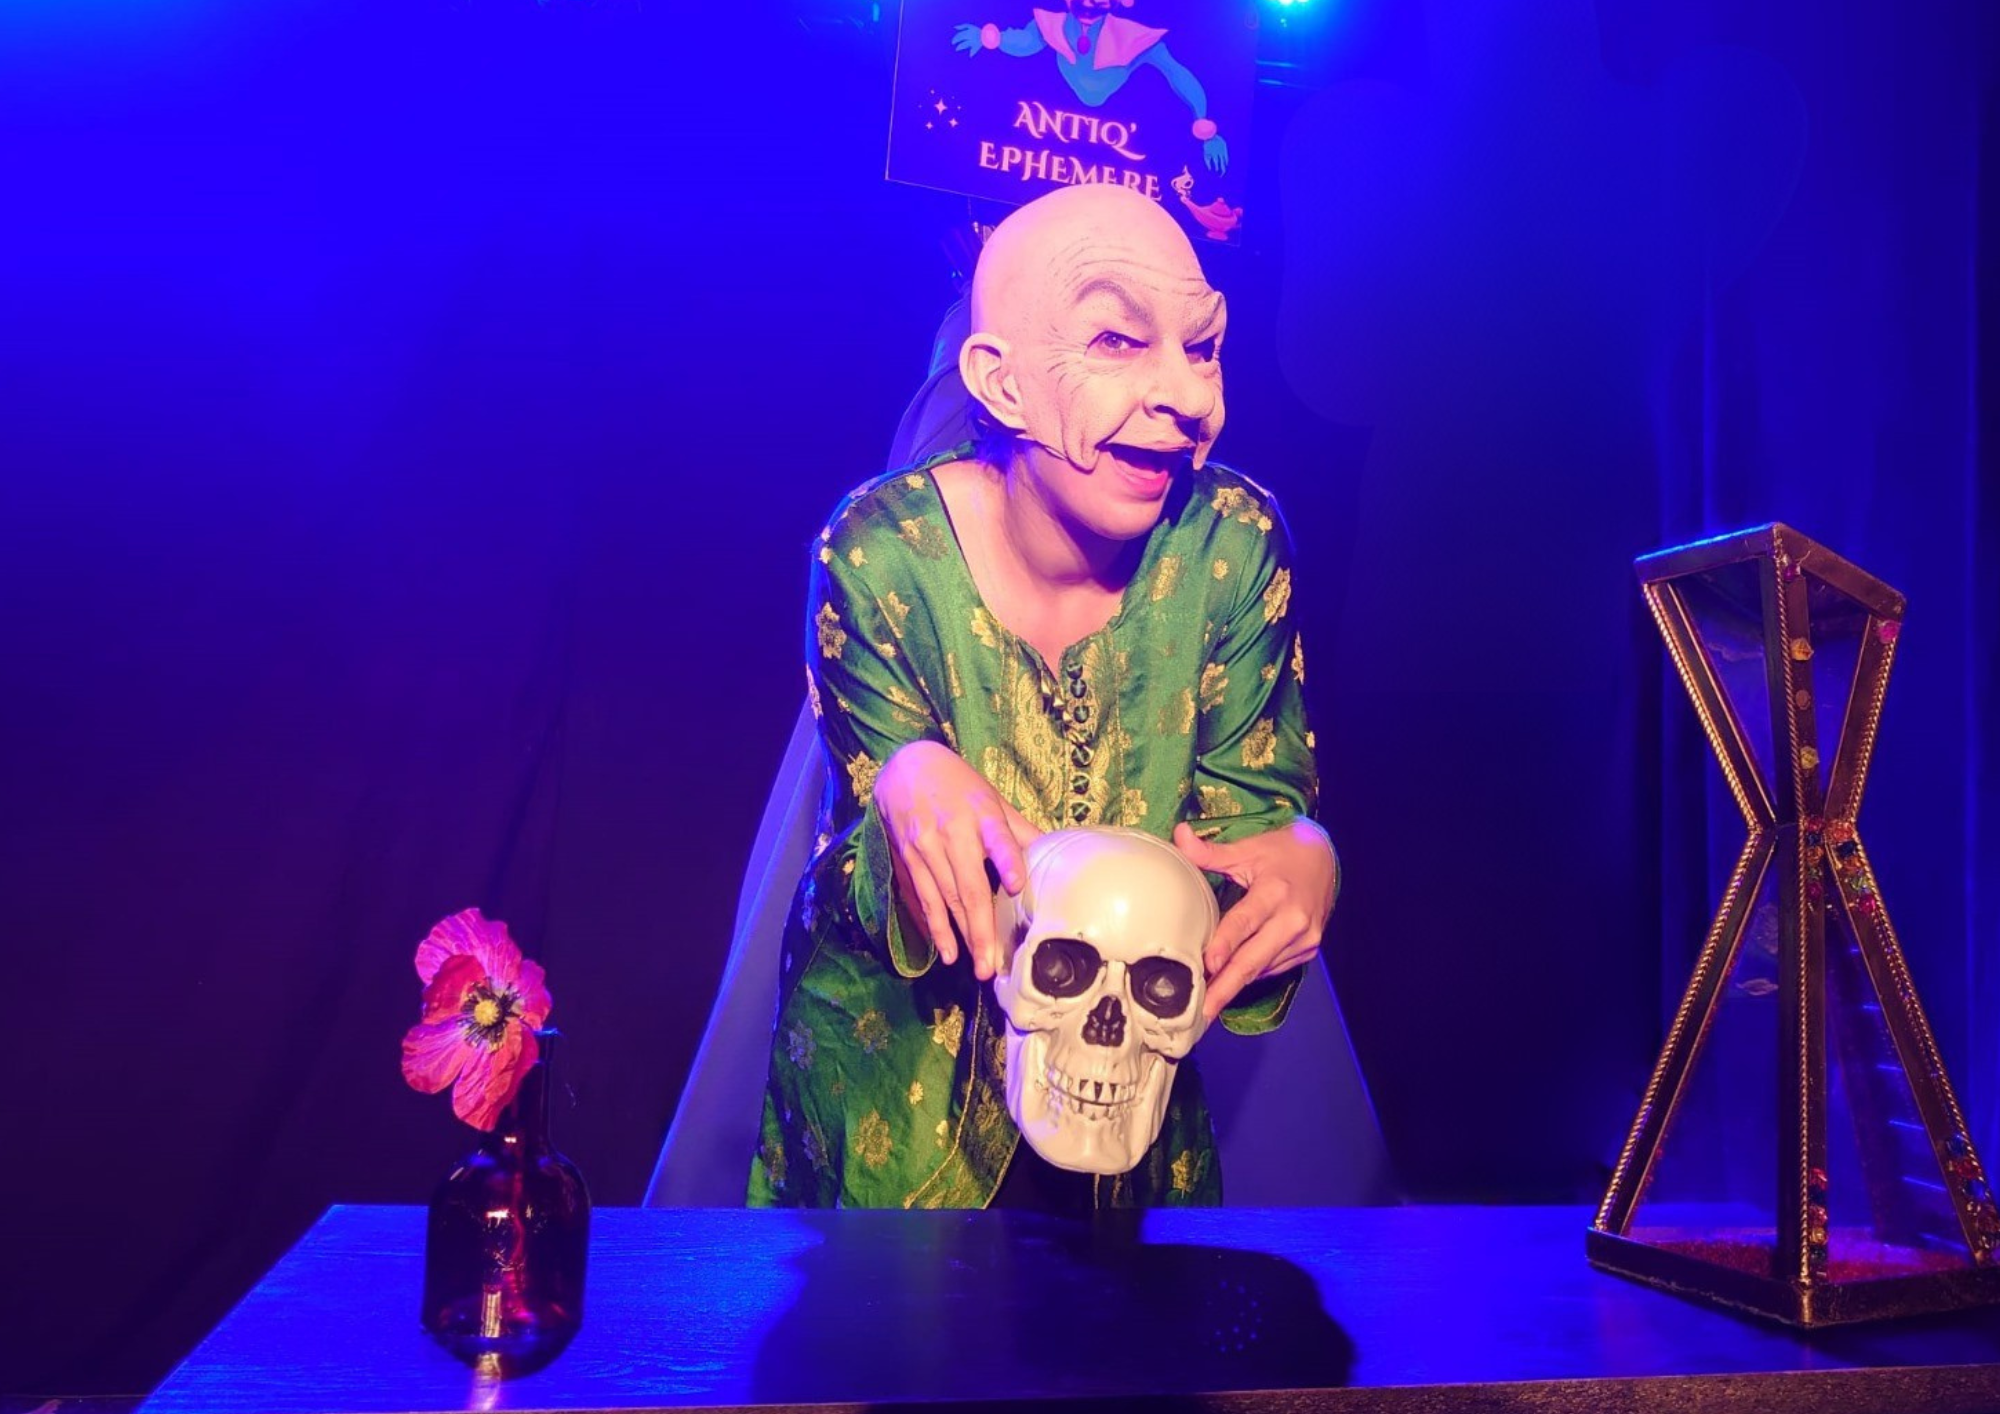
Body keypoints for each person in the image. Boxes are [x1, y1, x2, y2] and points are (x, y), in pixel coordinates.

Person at [748, 182, 1335, 1211]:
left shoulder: (1232, 545)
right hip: (899, 1108)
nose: (1189, 398)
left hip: (1126, 1112)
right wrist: (902, 784)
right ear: (1000, 382)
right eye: (1117, 341)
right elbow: (861, 876)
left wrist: (1296, 852)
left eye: (1201, 347)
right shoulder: (882, 556)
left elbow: (1247, 819)